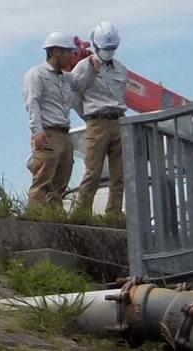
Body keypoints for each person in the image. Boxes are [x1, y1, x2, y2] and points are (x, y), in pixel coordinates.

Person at [70, 21, 127, 218]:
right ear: (95, 46)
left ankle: (114, 214)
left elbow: (122, 96)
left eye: (113, 48)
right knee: (93, 172)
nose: (109, 52)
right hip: (96, 122)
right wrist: (88, 117)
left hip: (119, 120)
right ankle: (81, 213)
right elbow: (74, 96)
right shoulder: (82, 67)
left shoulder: (121, 69)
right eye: (106, 48)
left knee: (119, 174)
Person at [23, 32, 77, 209]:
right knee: (43, 180)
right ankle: (36, 218)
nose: (72, 56)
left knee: (60, 182)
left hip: (63, 132)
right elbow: (33, 103)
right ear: (56, 52)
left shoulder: (65, 78)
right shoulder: (36, 74)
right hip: (47, 132)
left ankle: (54, 217)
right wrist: (37, 131)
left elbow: (84, 80)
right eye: (69, 52)